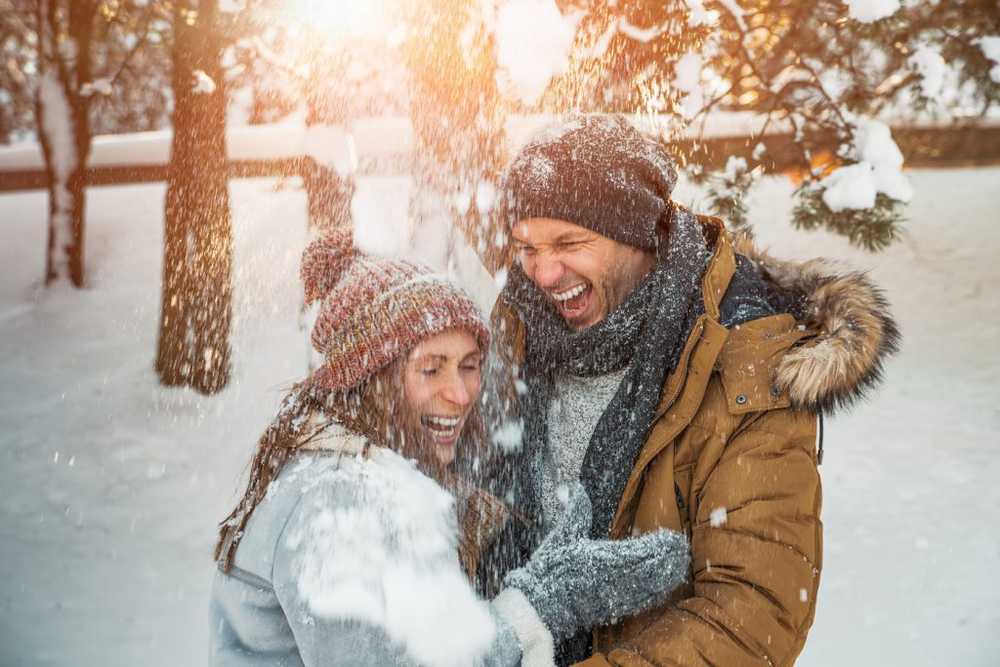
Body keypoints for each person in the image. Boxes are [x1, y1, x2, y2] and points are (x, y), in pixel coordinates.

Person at [487, 114, 900, 666]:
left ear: (636, 236)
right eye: (526, 246)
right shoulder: (518, 327)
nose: (541, 272)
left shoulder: (747, 365)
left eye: (568, 242)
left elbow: (753, 612)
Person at [208, 229, 692, 667]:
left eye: (468, 365)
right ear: (370, 380)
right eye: (430, 368)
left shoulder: (357, 473)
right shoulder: (336, 501)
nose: (460, 395)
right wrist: (540, 604)